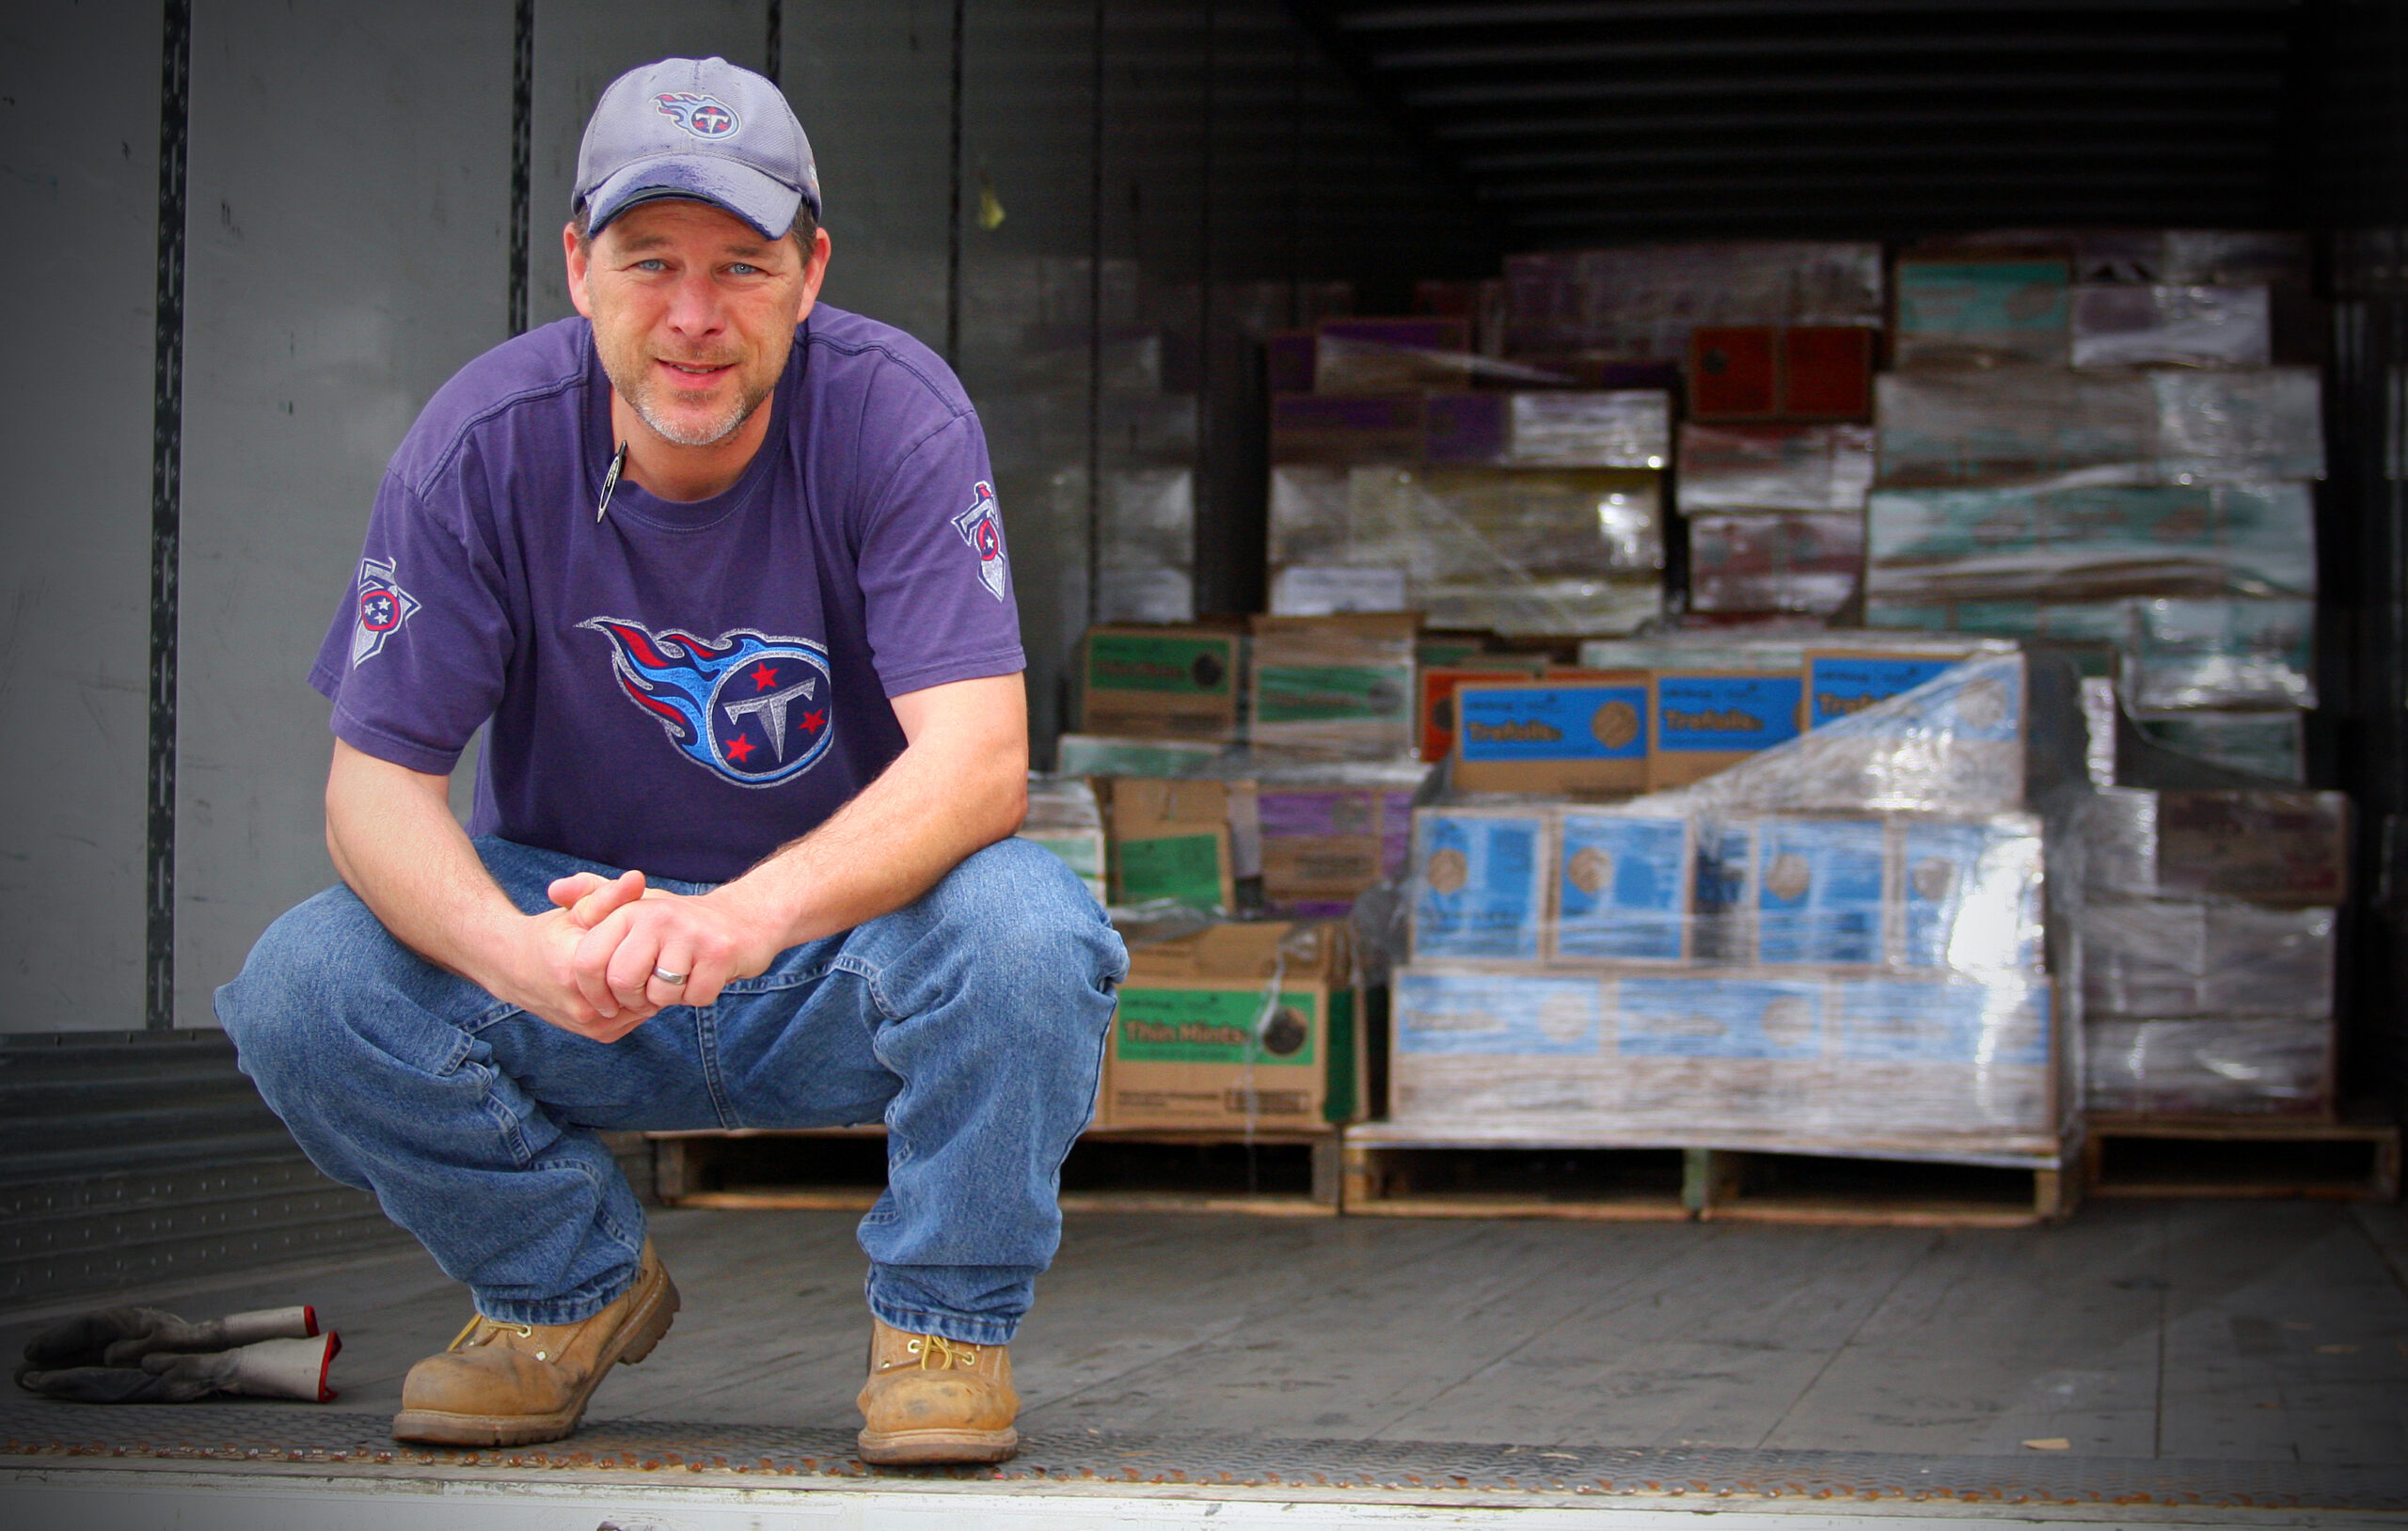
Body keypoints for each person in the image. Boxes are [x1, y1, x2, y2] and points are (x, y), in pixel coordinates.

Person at [215, 55, 1125, 1466]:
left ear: (811, 273)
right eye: (650, 262)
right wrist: (522, 961)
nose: (694, 317)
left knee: (1031, 935)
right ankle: (560, 1290)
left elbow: (979, 765)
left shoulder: (898, 413)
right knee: (302, 984)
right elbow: (372, 792)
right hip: (582, 955)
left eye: (743, 266)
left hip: (836, 951)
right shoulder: (481, 442)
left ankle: (943, 1326)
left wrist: (739, 917)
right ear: (579, 266)